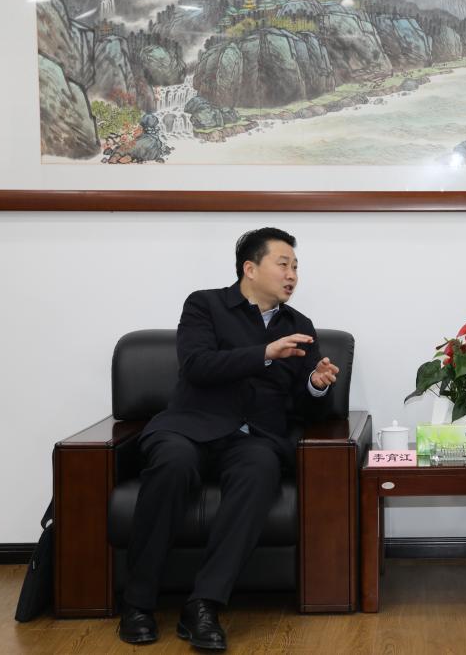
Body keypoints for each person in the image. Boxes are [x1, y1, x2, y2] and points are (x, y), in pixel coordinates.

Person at [118, 228, 340, 650]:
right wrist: (264, 353)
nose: (292, 275)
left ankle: (203, 604)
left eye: (296, 267)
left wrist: (315, 384)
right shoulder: (205, 305)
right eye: (283, 264)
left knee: (261, 467)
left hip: (253, 439)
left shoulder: (300, 326)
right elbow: (197, 365)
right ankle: (138, 602)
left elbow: (306, 410)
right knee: (172, 464)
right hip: (189, 427)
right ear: (250, 268)